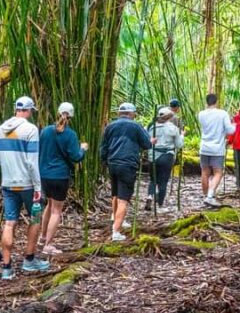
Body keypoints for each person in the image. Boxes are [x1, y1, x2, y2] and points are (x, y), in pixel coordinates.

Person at [0, 96, 50, 280]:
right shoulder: (30, 129)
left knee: (9, 222)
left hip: (8, 184)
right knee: (35, 218)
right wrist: (38, 187)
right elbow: (32, 163)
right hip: (28, 184)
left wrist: (9, 165)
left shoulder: (1, 129)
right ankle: (29, 259)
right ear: (29, 110)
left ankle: (7, 267)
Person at [38, 102, 89, 255]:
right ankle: (48, 245)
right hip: (60, 176)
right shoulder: (70, 134)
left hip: (44, 175)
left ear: (58, 112)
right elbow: (76, 157)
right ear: (71, 116)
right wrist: (83, 149)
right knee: (56, 211)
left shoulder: (45, 131)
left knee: (49, 205)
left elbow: (39, 150)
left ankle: (43, 236)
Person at [100, 102, 154, 241]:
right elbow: (146, 144)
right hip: (128, 164)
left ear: (119, 113)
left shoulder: (110, 126)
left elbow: (103, 147)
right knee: (124, 199)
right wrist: (151, 141)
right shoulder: (135, 126)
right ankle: (116, 232)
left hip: (112, 163)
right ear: (132, 114)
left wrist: (105, 161)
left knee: (115, 194)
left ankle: (117, 219)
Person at [198, 93, 235, 207]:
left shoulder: (201, 114)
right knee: (218, 172)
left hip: (204, 147)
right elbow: (230, 130)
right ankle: (209, 197)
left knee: (205, 172)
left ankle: (206, 197)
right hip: (217, 148)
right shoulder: (222, 113)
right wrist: (235, 125)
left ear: (206, 102)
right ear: (216, 102)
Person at [145, 107, 185, 211]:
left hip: (152, 155)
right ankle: (159, 205)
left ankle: (150, 196)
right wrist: (182, 136)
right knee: (163, 181)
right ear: (169, 117)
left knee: (153, 179)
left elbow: (146, 141)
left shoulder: (151, 127)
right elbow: (179, 145)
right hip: (167, 156)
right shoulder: (173, 128)